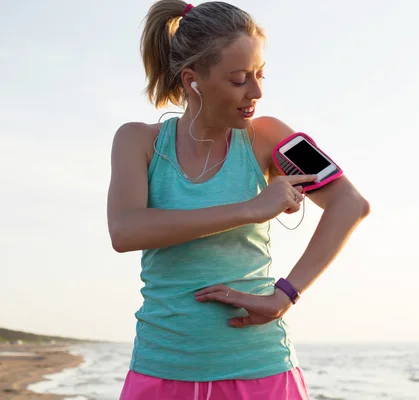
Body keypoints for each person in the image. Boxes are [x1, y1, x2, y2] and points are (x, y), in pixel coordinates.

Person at [107, 1, 370, 399]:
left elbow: (350, 203)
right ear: (193, 80)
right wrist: (249, 209)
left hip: (260, 370)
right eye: (239, 79)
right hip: (161, 369)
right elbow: (125, 230)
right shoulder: (137, 141)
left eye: (260, 74)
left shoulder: (270, 137)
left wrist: (285, 295)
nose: (257, 91)